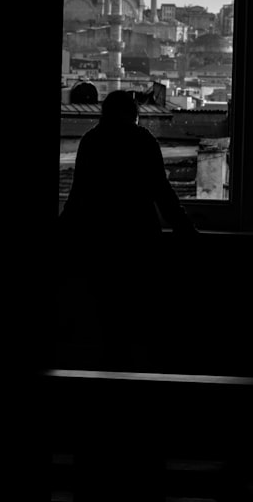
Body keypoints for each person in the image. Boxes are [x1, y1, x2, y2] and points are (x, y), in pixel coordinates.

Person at [55, 90, 199, 374]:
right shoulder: (142, 140)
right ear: (133, 115)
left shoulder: (92, 142)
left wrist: (62, 231)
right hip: (139, 240)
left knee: (107, 320)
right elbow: (162, 192)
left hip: (101, 243)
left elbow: (78, 196)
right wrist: (185, 227)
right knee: (141, 321)